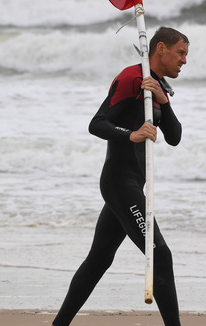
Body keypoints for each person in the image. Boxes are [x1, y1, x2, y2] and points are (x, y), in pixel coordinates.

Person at [51, 27, 189, 326]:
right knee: (161, 256)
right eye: (180, 53)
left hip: (131, 183)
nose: (184, 61)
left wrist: (164, 102)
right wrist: (133, 134)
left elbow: (175, 137)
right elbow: (97, 124)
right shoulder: (131, 78)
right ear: (160, 48)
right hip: (118, 181)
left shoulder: (158, 87)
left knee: (99, 259)